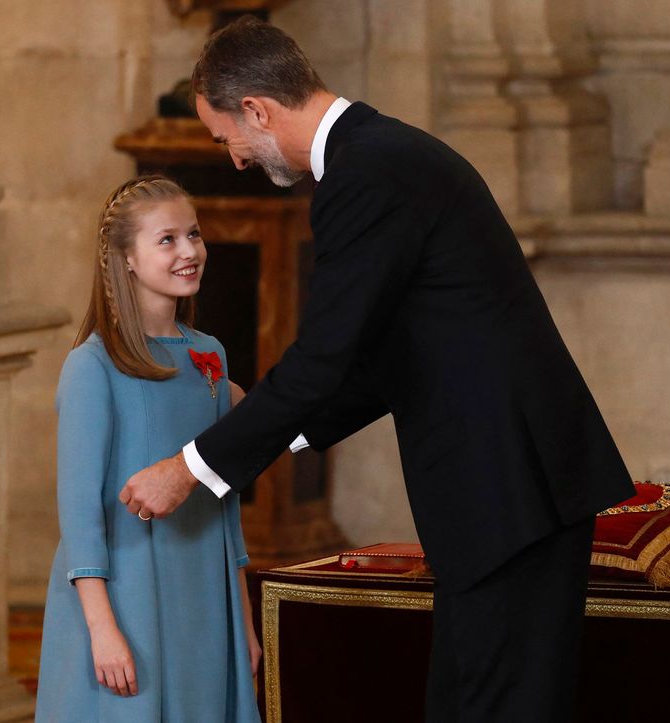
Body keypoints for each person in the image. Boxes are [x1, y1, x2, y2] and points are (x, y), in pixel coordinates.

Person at [119, 17, 635, 723]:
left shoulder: (365, 175)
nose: (233, 158)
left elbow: (326, 356)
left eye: (224, 137)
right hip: (508, 494)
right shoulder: (381, 156)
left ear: (259, 111)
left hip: (509, 493)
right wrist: (262, 419)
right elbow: (381, 359)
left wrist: (191, 467)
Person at [35, 176, 261, 723]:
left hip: (204, 591)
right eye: (167, 240)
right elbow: (80, 514)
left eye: (194, 234)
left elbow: (222, 498)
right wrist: (103, 629)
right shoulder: (92, 366)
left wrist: (245, 622)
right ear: (127, 259)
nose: (190, 251)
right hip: (124, 596)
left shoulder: (210, 355)